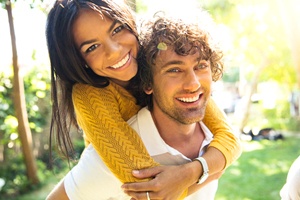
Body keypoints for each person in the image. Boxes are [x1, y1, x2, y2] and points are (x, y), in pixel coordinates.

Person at [46, 0, 242, 199]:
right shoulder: (90, 96)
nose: (114, 50)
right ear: (78, 61)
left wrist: (194, 171)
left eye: (117, 29)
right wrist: (211, 170)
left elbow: (229, 138)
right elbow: (150, 186)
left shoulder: (153, 57)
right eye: (92, 47)